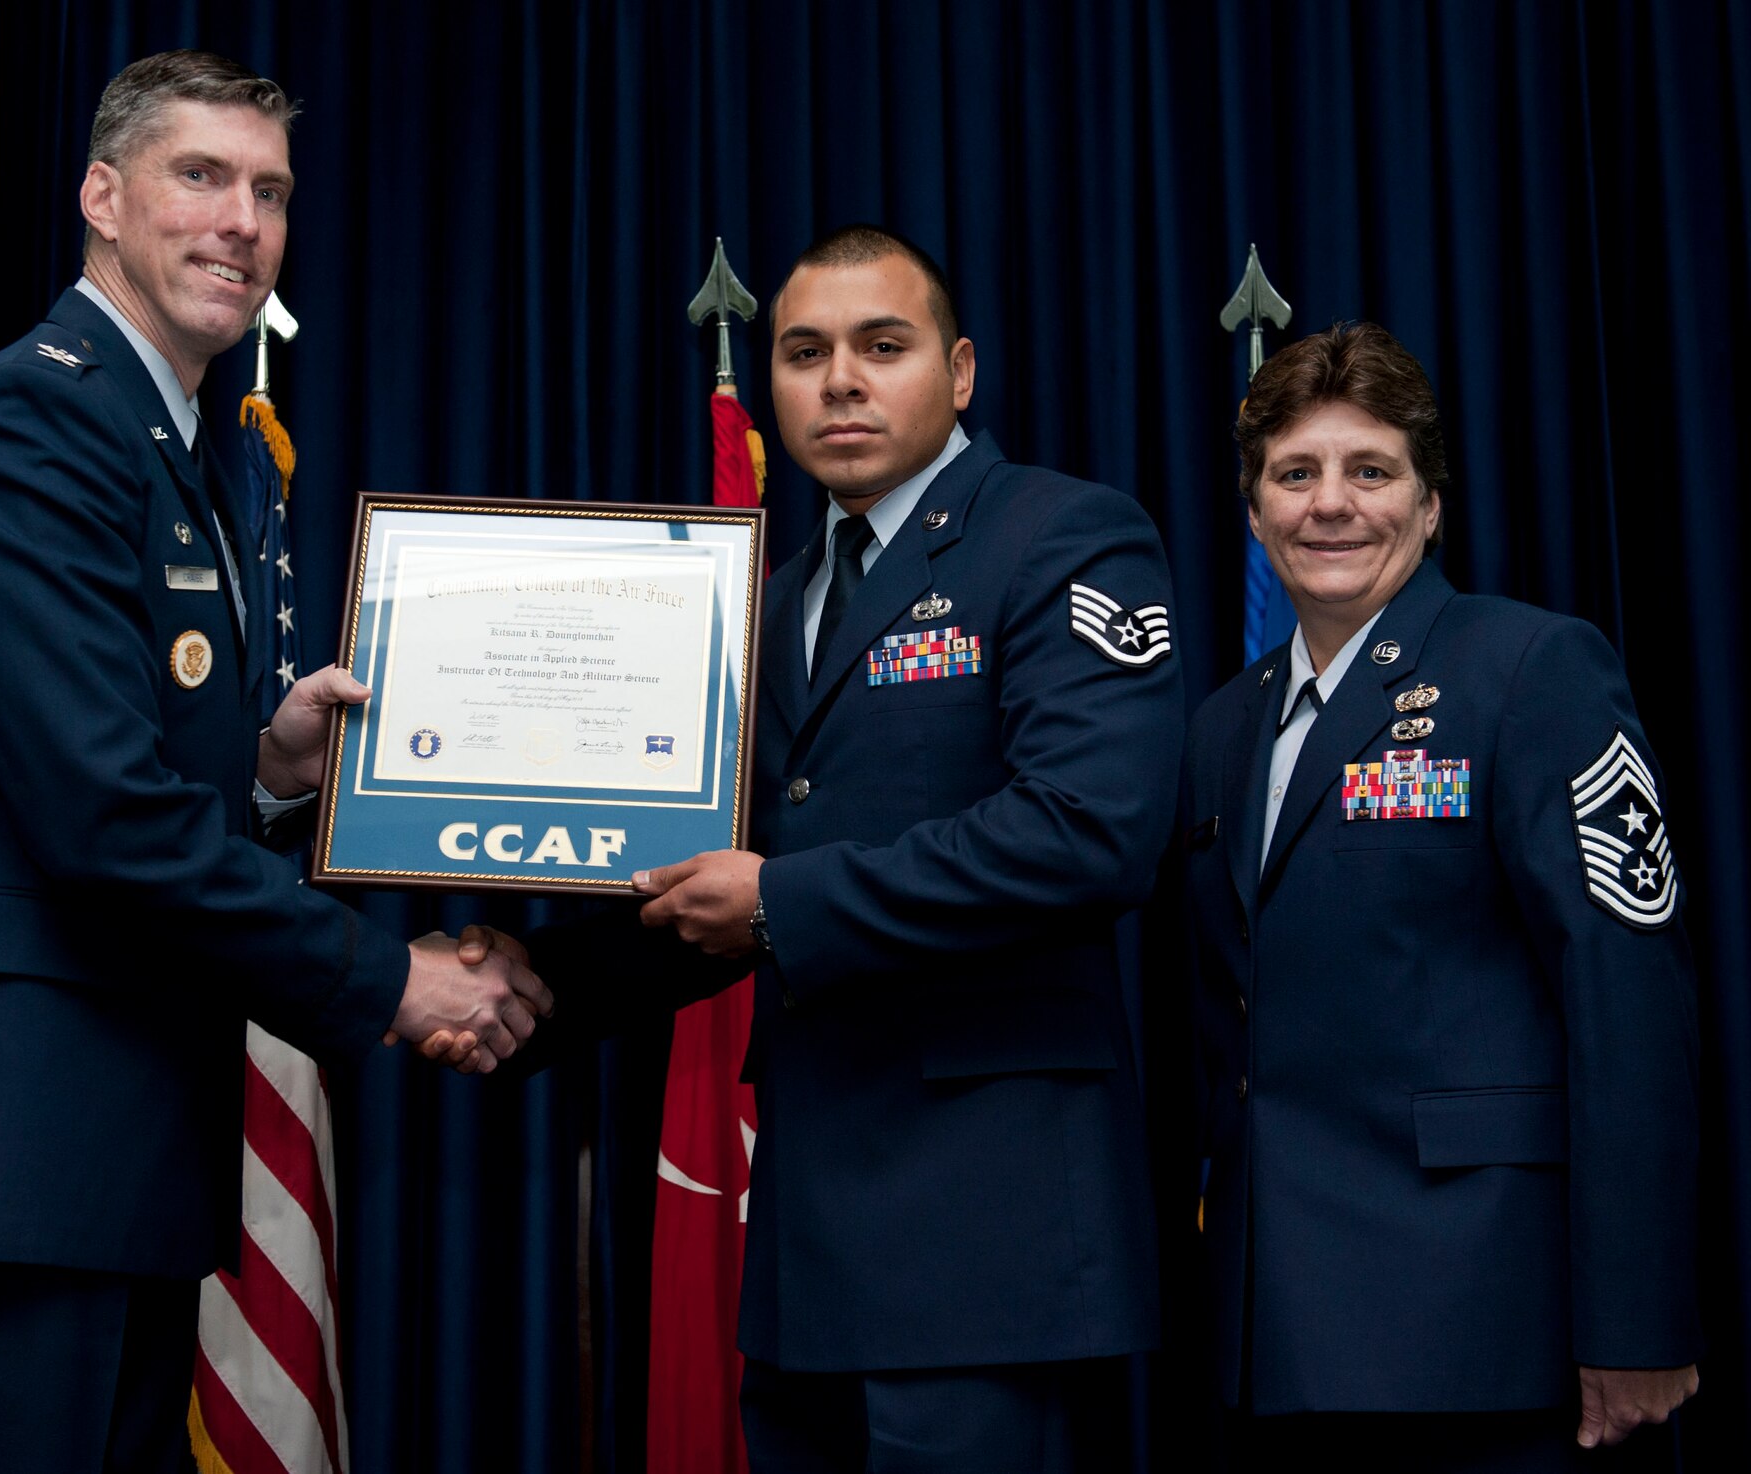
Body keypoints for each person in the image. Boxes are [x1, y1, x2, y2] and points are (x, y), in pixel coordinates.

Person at [0, 51, 547, 1472]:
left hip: (96, 1160)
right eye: (200, 177)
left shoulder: (185, 450)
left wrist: (268, 765)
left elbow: (131, 776)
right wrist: (393, 980)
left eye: (271, 192)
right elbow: (104, 819)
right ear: (102, 196)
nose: (240, 222)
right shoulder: (34, 422)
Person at [633, 225, 1184, 1472]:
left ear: (962, 370)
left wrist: (780, 902)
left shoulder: (1064, 538)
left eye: (881, 347)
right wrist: (520, 984)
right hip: (808, 1232)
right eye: (804, 351)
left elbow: (1087, 832)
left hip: (989, 1237)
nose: (838, 380)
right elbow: (710, 873)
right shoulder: (764, 598)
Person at [1182, 321, 1699, 1468]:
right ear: (1252, 505)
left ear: (1428, 505)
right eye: (1294, 473)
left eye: (1369, 471)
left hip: (1477, 1323)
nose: (1329, 505)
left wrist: (1638, 1318)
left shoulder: (1528, 669)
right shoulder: (1220, 725)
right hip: (1271, 1339)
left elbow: (1627, 1002)